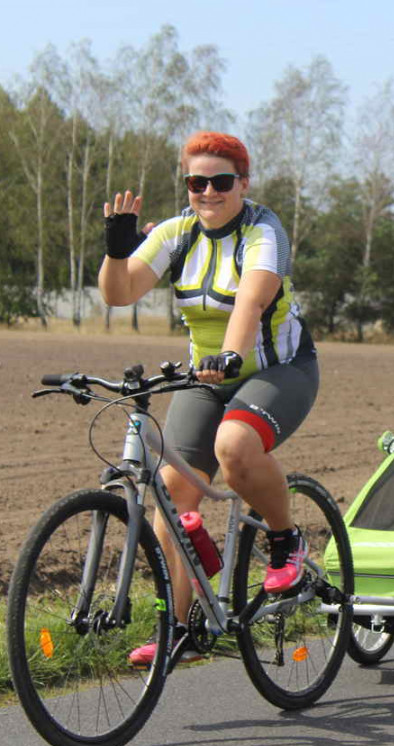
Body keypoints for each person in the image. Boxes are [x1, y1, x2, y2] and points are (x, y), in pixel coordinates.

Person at [99, 131, 320, 664]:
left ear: (242, 183)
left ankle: (287, 541)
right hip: (206, 375)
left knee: (235, 447)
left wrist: (228, 355)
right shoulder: (178, 233)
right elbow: (118, 293)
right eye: (197, 182)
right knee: (173, 498)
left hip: (278, 368)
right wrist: (116, 249)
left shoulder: (262, 229)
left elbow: (252, 299)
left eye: (221, 182)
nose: (208, 192)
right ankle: (180, 630)